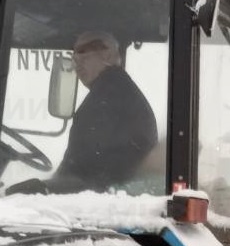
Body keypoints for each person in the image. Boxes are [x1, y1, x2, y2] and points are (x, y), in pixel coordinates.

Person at [52, 30, 157, 189]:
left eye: (84, 56)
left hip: (102, 197)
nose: (77, 64)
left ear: (107, 56)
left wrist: (48, 188)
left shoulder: (108, 98)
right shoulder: (117, 91)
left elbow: (80, 165)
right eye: (74, 59)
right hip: (109, 189)